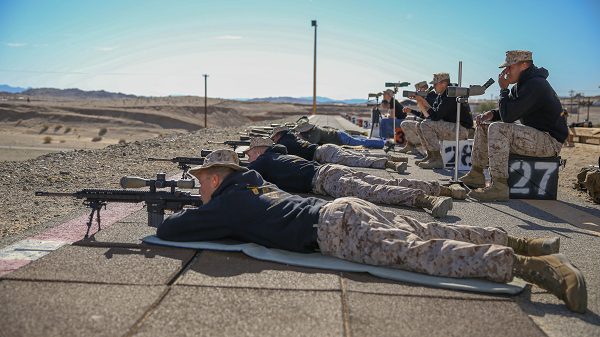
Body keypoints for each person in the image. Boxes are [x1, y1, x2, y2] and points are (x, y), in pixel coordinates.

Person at [157, 149, 587, 314]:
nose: (199, 189)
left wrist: (174, 210)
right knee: (423, 228)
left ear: (214, 177)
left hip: (333, 228)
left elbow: (176, 230)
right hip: (343, 208)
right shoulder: (251, 184)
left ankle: (534, 268)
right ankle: (519, 240)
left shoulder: (227, 202)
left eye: (200, 182)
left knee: (424, 252)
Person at [245, 137, 466, 218]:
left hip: (324, 180)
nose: (248, 157)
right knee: (385, 182)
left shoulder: (263, 161)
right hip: (330, 169)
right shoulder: (277, 155)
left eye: (249, 154)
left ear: (259, 151)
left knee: (376, 191)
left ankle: (427, 200)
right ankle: (445, 189)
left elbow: (246, 176)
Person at [460, 51, 569, 201]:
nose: (505, 72)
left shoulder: (537, 84)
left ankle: (499, 186)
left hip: (549, 142)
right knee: (485, 125)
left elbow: (509, 117)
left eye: (509, 67)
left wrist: (503, 89)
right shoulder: (522, 85)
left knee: (498, 128)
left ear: (524, 65)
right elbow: (509, 110)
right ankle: (476, 174)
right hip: (535, 136)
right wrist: (491, 114)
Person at [271, 126, 407, 173]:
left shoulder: (284, 142)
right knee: (358, 155)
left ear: (278, 135)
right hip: (326, 149)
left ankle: (391, 164)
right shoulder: (291, 137)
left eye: (273, 138)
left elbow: (276, 152)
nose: (273, 140)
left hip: (324, 153)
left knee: (358, 159)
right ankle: (393, 159)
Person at [413, 73, 473, 169]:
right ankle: (432, 156)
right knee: (419, 124)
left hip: (461, 130)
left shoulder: (451, 94)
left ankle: (437, 159)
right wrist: (421, 102)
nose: (433, 87)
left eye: (435, 84)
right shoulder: (442, 95)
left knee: (425, 124)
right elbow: (431, 116)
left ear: (443, 83)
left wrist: (423, 101)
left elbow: (436, 117)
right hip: (453, 127)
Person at [399, 81, 437, 154]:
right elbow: (424, 115)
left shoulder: (431, 96)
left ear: (424, 88)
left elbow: (430, 115)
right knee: (406, 122)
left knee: (406, 124)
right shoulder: (427, 97)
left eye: (419, 90)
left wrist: (421, 100)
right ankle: (412, 145)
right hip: (427, 122)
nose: (417, 92)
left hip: (430, 125)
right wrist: (411, 110)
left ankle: (419, 149)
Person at [295, 120, 385, 149]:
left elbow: (314, 142)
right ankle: (381, 142)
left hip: (341, 138)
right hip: (340, 135)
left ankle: (382, 143)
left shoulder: (315, 132)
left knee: (362, 143)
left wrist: (302, 138)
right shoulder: (314, 130)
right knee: (360, 140)